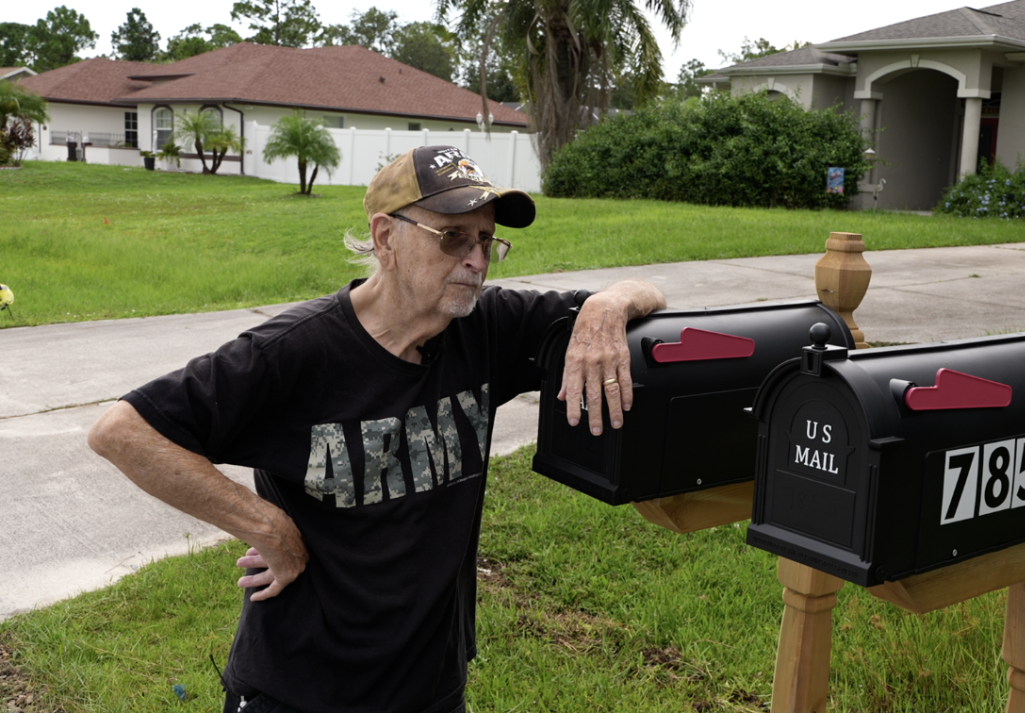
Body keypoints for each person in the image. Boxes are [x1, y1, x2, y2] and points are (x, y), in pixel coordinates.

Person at [87, 145, 666, 713]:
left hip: (432, 686)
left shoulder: (487, 326)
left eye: (486, 239)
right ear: (386, 237)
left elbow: (646, 294)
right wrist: (267, 527)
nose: (477, 260)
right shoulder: (294, 352)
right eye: (453, 237)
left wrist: (604, 308)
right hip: (299, 689)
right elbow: (123, 431)